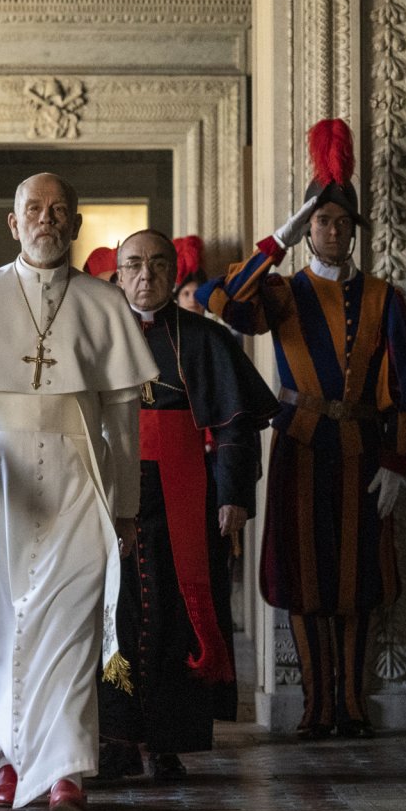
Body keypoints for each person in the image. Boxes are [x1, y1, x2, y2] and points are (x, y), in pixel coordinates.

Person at [0, 174, 159, 811]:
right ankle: (13, 758)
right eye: (34, 210)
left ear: (74, 226)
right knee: (3, 625)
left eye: (59, 211)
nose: (47, 220)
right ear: (14, 225)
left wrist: (125, 509)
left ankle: (67, 771)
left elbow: (123, 424)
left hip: (80, 479)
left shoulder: (104, 304)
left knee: (71, 626)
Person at [202, 120, 406, 738]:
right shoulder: (281, 290)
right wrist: (279, 238)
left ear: (354, 230)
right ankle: (314, 707)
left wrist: (398, 460)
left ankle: (351, 705)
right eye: (321, 223)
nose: (332, 231)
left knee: (357, 580)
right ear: (309, 232)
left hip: (363, 450)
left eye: (339, 223)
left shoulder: (386, 296)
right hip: (299, 446)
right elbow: (221, 300)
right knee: (304, 578)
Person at [98, 230, 276, 780]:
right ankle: (115, 741)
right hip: (110, 490)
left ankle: (166, 743)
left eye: (156, 264)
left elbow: (235, 427)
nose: (145, 275)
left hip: (186, 492)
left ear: (174, 274)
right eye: (133, 265)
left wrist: (235, 496)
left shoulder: (207, 339)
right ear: (117, 275)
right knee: (114, 613)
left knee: (178, 614)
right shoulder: (96, 336)